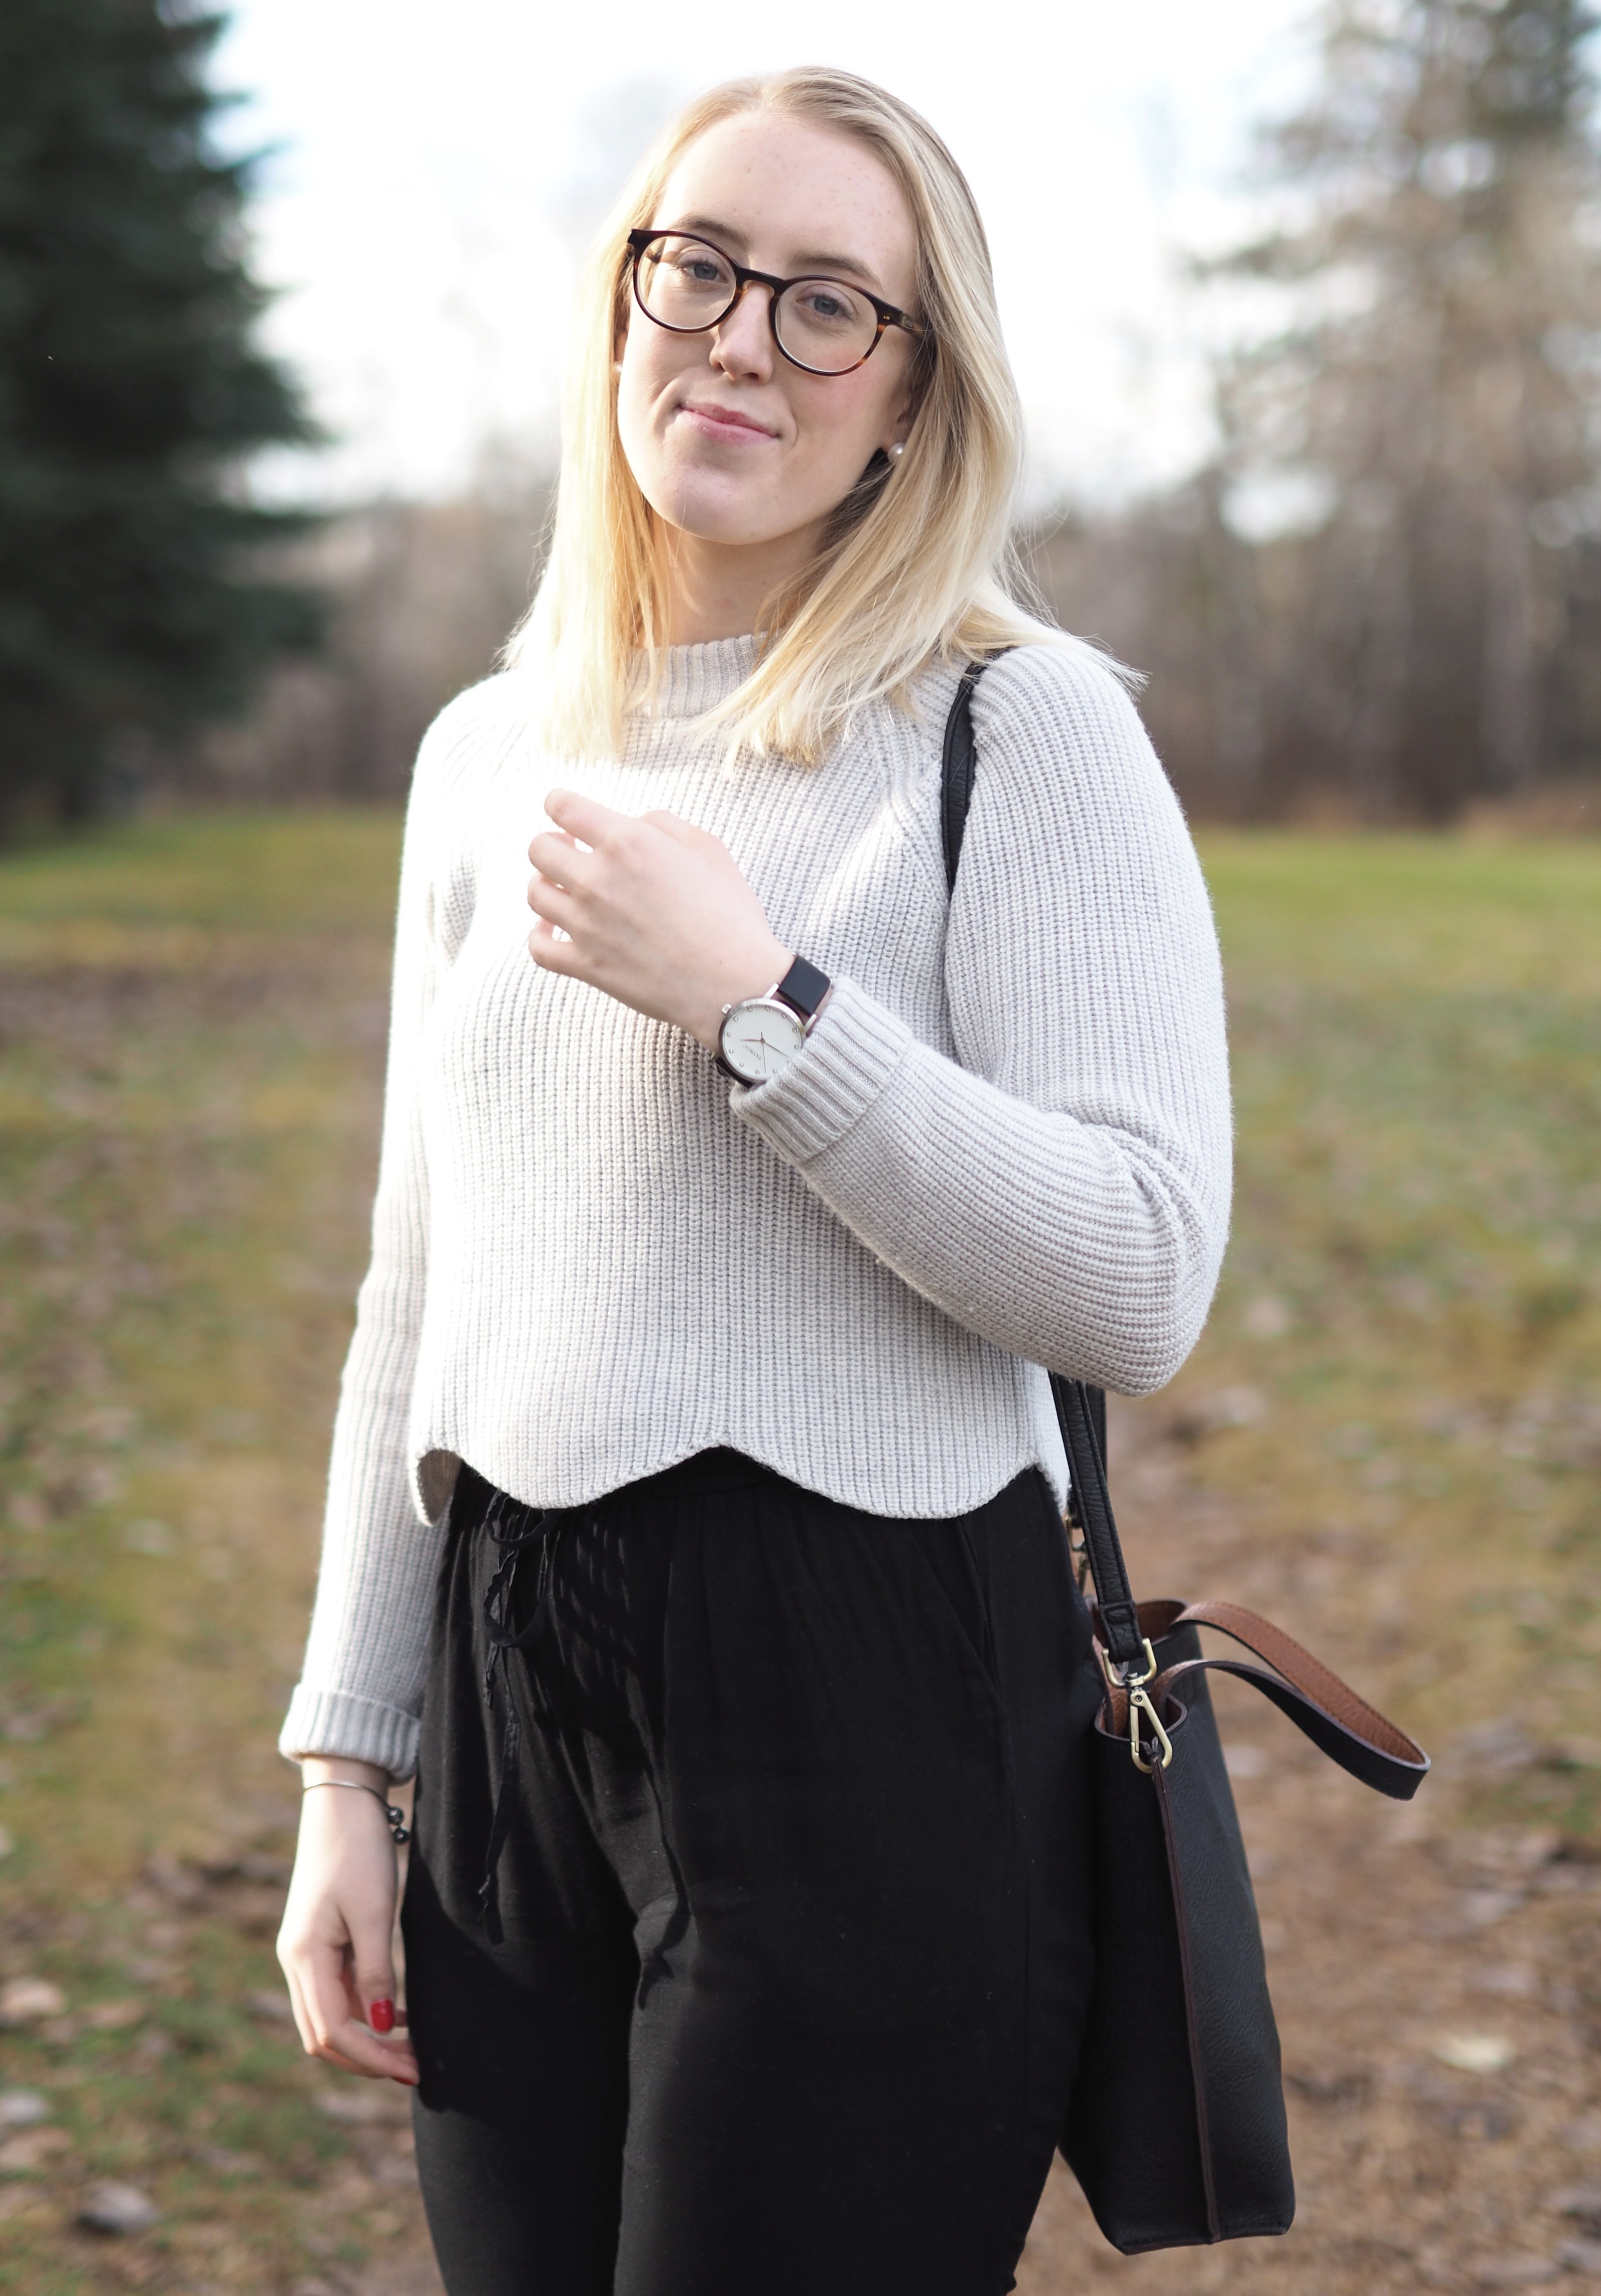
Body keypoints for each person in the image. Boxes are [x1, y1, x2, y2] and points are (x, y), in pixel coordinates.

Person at [275, 64, 1231, 2296]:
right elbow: (417, 1287)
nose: (739, 339)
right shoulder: (486, 753)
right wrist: (349, 1764)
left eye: (831, 306)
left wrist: (762, 1006)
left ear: (914, 390)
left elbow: (1139, 1275)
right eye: (698, 267)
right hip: (517, 1679)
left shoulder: (1021, 725)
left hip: (870, 1685)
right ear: (625, 300)